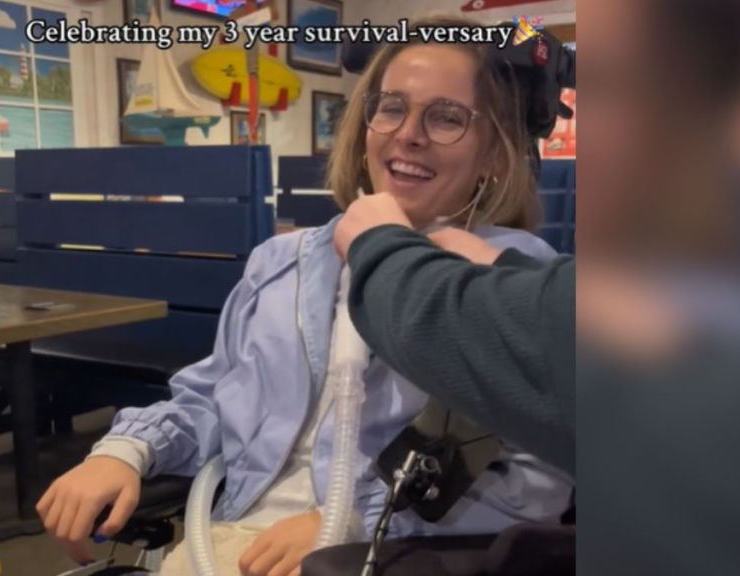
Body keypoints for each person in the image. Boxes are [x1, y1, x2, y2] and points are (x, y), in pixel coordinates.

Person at [37, 14, 573, 576]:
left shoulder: (511, 280)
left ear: (493, 151)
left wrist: (354, 523)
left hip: (387, 557)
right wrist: (128, 450)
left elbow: (534, 480)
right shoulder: (282, 262)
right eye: (392, 106)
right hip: (230, 541)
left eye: (446, 118)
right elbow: (216, 398)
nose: (408, 133)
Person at [332, 192, 577, 474]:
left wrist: (380, 247)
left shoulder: (528, 253)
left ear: (492, 158)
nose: (412, 143)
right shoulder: (283, 259)